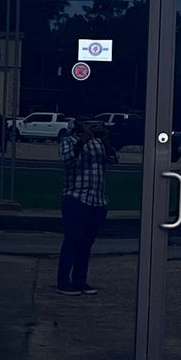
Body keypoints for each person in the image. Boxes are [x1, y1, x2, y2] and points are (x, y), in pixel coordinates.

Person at [56, 118, 113, 297]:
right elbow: (67, 158)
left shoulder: (99, 143)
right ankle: (63, 282)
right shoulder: (68, 141)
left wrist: (105, 139)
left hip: (98, 199)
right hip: (75, 196)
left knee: (86, 243)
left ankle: (80, 280)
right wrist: (83, 141)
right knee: (72, 239)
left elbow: (113, 159)